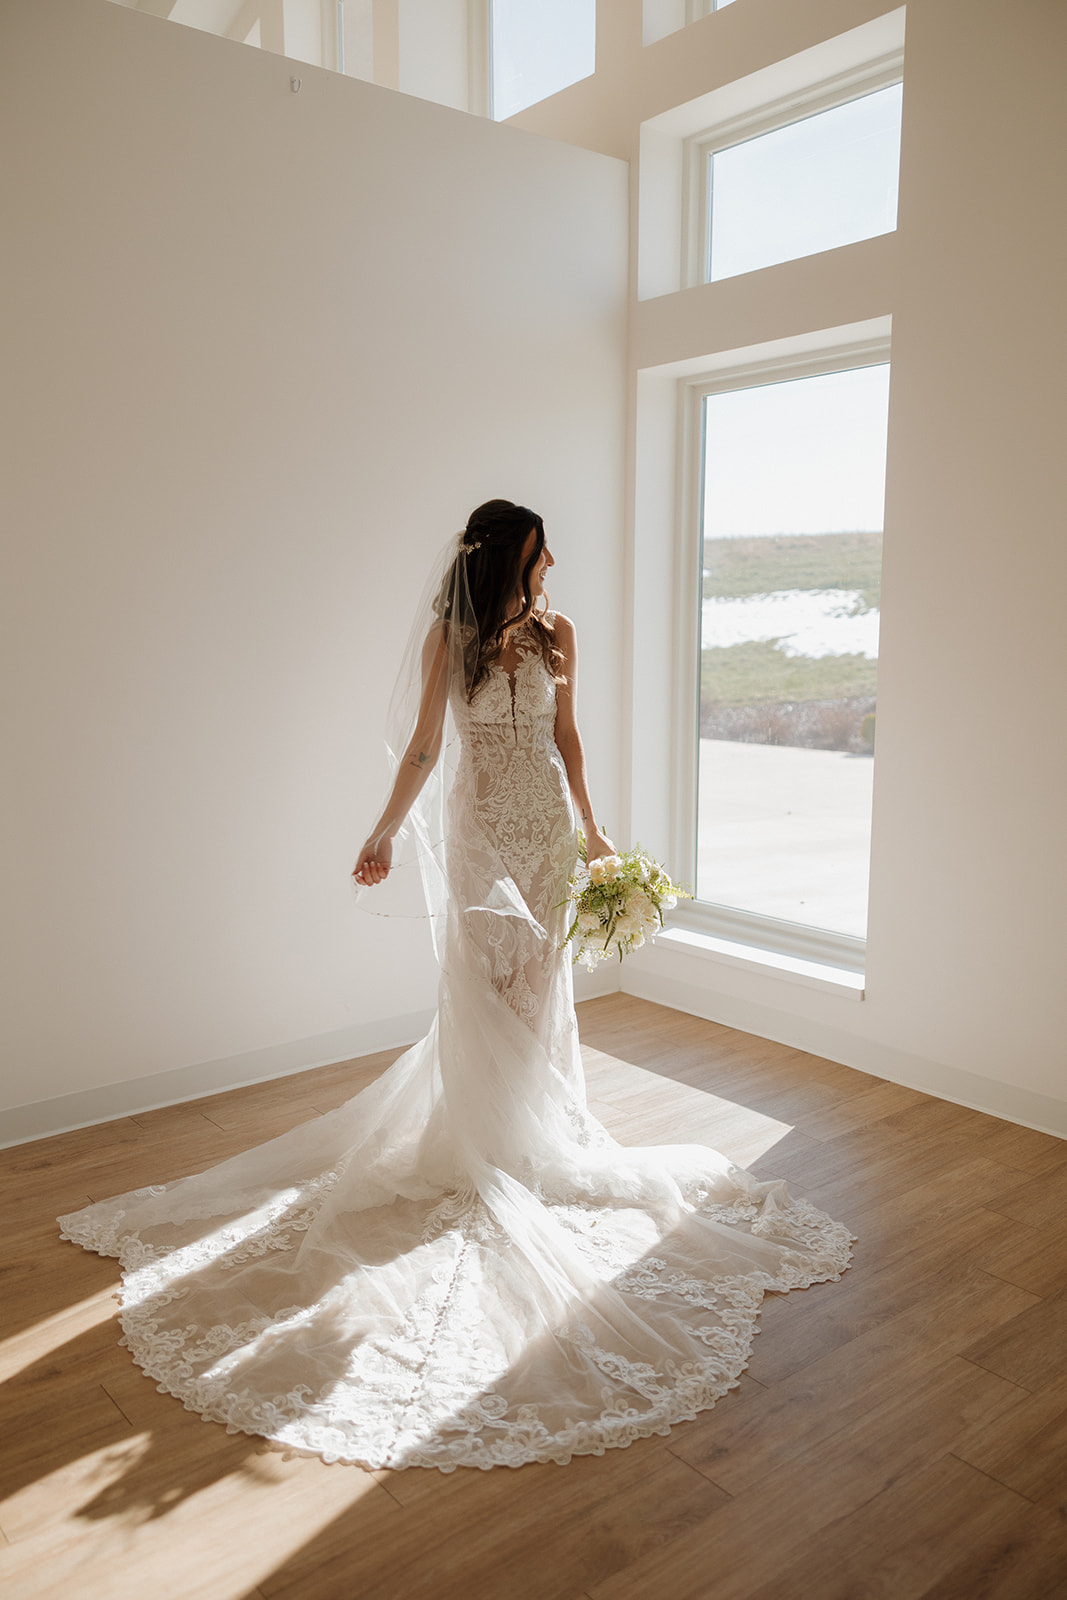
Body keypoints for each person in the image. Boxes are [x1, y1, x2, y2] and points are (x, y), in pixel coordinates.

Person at [59, 500, 852, 1473]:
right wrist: (387, 829)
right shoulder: (453, 638)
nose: (551, 559)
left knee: (535, 991)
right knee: (483, 990)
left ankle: (528, 1145)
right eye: (536, 547)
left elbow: (567, 739)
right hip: (480, 831)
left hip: (545, 830)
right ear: (503, 557)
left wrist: (594, 831)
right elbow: (427, 748)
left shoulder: (557, 632)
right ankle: (488, 1148)